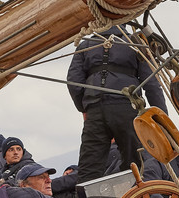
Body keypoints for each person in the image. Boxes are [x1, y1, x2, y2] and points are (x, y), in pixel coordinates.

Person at [67, 24, 167, 183]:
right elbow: (151, 84)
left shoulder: (85, 45)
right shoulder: (135, 44)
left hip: (95, 110)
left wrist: (85, 107)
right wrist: (162, 120)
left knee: (89, 169)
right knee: (135, 163)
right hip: (126, 108)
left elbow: (73, 81)